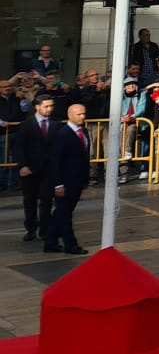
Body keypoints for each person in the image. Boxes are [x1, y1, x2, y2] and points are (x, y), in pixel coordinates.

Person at [44, 101, 91, 254]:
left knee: (62, 212)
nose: (82, 117)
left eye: (84, 113)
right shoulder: (63, 134)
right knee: (65, 214)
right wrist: (58, 184)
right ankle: (70, 244)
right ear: (70, 115)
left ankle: (50, 241)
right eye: (79, 114)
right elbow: (56, 161)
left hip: (77, 180)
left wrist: (84, 179)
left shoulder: (83, 132)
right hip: (64, 181)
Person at [19, 92, 56, 244]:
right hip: (30, 169)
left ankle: (44, 229)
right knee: (30, 200)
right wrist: (23, 165)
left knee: (46, 200)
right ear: (37, 107)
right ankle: (31, 228)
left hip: (48, 170)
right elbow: (19, 147)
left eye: (51, 106)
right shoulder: (26, 125)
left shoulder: (56, 124)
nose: (49, 109)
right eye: (46, 106)